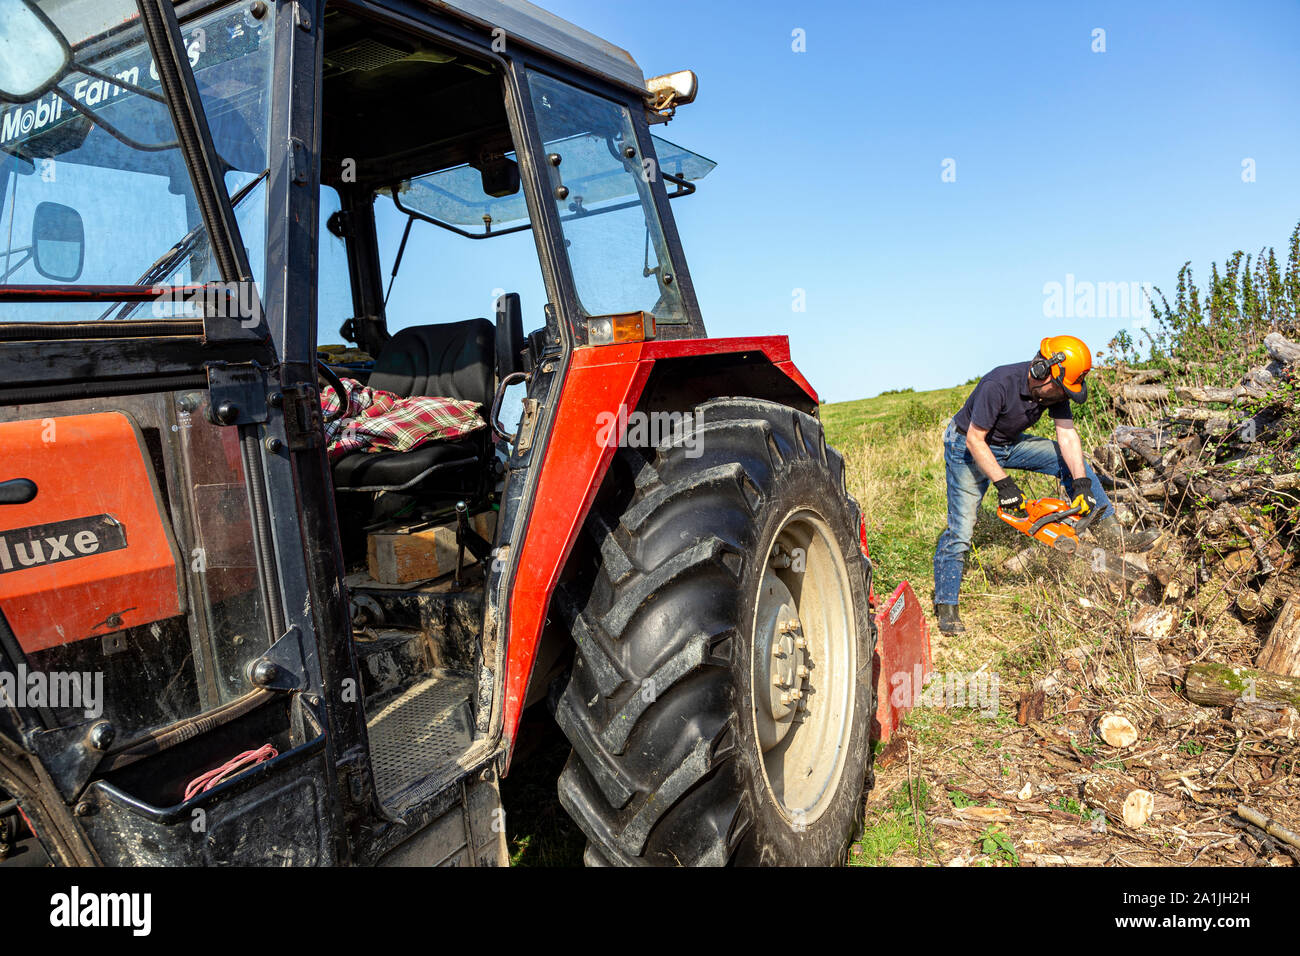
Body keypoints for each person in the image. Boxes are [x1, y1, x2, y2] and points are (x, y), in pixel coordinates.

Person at [932, 335, 1157, 634]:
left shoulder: (1056, 389)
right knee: (962, 526)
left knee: (1074, 465)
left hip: (1007, 444)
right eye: (1059, 389)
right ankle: (947, 604)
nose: (1060, 396)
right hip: (967, 446)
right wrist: (1005, 485)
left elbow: (1067, 436)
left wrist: (1080, 483)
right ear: (1041, 369)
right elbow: (975, 439)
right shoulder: (998, 384)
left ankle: (1113, 534)